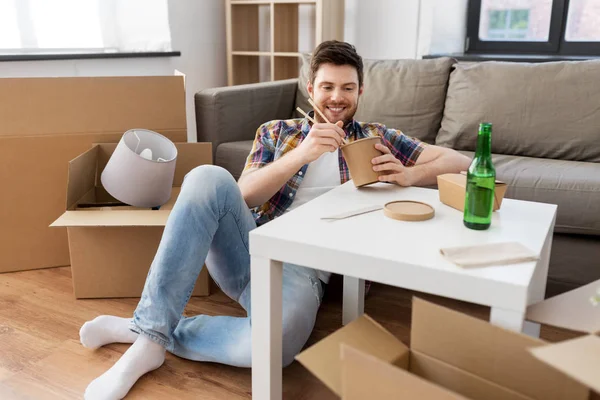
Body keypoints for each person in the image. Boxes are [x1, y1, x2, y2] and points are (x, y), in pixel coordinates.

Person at [80, 40, 471, 400]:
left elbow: (461, 162)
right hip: (249, 244)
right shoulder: (277, 132)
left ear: (360, 92)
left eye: (347, 88)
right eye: (327, 87)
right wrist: (300, 155)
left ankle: (146, 330)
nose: (337, 97)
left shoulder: (375, 137)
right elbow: (243, 194)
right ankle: (148, 341)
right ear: (310, 88)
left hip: (303, 271)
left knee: (272, 350)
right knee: (206, 177)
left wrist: (406, 175)